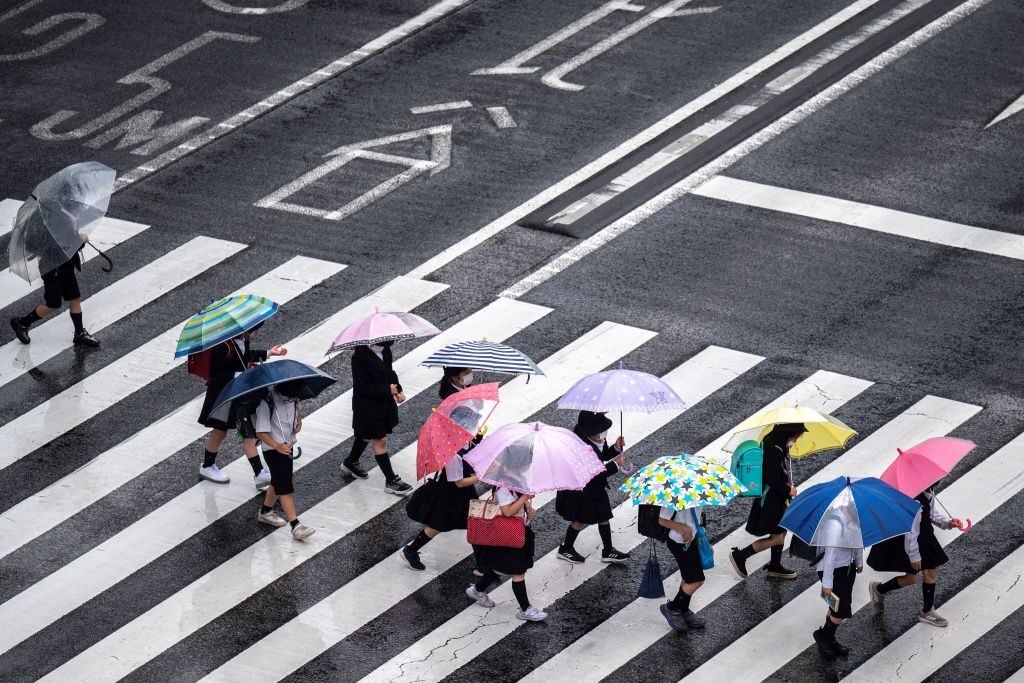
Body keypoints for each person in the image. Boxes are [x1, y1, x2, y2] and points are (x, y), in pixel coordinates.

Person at [401, 367, 481, 571]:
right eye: (467, 372)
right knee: (453, 522)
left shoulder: (462, 440)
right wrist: (480, 476)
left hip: (458, 488)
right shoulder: (453, 453)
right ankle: (484, 564)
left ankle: (483, 562)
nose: (470, 375)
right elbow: (459, 481)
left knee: (466, 521)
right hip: (454, 489)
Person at [196, 323, 286, 486]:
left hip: (237, 393)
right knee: (220, 433)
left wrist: (269, 353)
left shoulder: (241, 340)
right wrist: (240, 374)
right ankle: (208, 466)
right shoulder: (222, 346)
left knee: (246, 432)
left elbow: (245, 356)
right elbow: (216, 373)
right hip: (222, 396)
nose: (251, 333)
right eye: (250, 330)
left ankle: (259, 472)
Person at [868, 487, 961, 627]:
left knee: (929, 573)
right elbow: (911, 532)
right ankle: (879, 589)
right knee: (912, 578)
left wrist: (947, 522)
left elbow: (930, 512)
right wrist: (914, 556)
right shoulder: (914, 499)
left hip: (925, 535)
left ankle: (927, 610)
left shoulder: (927, 490)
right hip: (914, 541)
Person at [729, 423, 808, 580]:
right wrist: (788, 490)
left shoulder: (772, 443)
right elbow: (771, 478)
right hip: (772, 500)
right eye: (796, 437)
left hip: (775, 497)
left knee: (782, 530)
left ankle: (775, 565)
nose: (796, 440)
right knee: (777, 537)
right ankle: (741, 555)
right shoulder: (775, 451)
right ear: (789, 434)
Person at [555, 411, 630, 564]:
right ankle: (566, 548)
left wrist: (615, 448)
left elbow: (602, 457)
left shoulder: (596, 440)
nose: (604, 432)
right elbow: (596, 473)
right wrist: (616, 465)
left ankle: (608, 550)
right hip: (584, 491)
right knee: (579, 519)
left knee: (604, 516)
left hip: (595, 489)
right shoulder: (582, 448)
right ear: (591, 432)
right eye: (601, 429)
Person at [468, 486, 547, 621]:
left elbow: (518, 508)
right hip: (508, 534)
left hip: (518, 532)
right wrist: (525, 497)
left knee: (501, 568)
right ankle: (525, 609)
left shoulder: (516, 485)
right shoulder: (503, 489)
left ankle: (477, 590)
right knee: (518, 572)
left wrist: (529, 511)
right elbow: (507, 512)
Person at [342, 341, 411, 494]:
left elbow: (390, 373)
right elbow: (362, 386)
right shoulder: (359, 357)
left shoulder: (385, 350)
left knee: (366, 435)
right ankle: (391, 480)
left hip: (383, 403)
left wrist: (397, 390)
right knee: (380, 440)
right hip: (368, 407)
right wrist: (388, 389)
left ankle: (350, 462)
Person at [253, 380, 315, 540]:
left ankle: (266, 512)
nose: (293, 399)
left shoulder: (293, 397)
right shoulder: (266, 403)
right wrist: (277, 445)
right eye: (290, 397)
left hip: (287, 446)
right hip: (273, 450)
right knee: (286, 487)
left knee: (278, 480)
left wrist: (298, 421)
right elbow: (260, 432)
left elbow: (292, 415)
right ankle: (296, 526)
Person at [10, 238, 99, 347]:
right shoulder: (43, 227)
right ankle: (22, 323)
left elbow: (70, 241)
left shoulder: (63, 221)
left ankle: (79, 333)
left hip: (67, 265)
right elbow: (63, 244)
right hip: (52, 270)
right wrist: (80, 241)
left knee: (74, 298)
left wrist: (79, 240)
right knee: (53, 305)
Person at [813, 511, 864, 658]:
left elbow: (857, 538)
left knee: (834, 606)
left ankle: (828, 639)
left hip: (847, 568)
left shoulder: (855, 519)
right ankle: (824, 637)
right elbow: (830, 556)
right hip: (832, 571)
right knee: (841, 611)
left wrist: (859, 560)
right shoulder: (835, 523)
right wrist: (827, 584)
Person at [658, 505, 708, 631]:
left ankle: (683, 609)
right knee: (697, 580)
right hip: (678, 542)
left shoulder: (697, 493)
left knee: (688, 578)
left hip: (690, 541)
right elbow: (662, 519)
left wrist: (703, 541)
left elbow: (695, 520)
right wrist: (685, 528)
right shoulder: (674, 496)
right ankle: (673, 608)